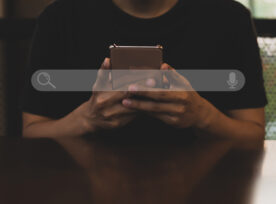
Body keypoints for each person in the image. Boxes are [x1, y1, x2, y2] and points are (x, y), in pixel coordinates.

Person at [21, 0, 267, 147]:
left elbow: (254, 135)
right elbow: (32, 131)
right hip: (82, 188)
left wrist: (202, 116)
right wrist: (86, 119)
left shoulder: (230, 19)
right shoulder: (59, 19)